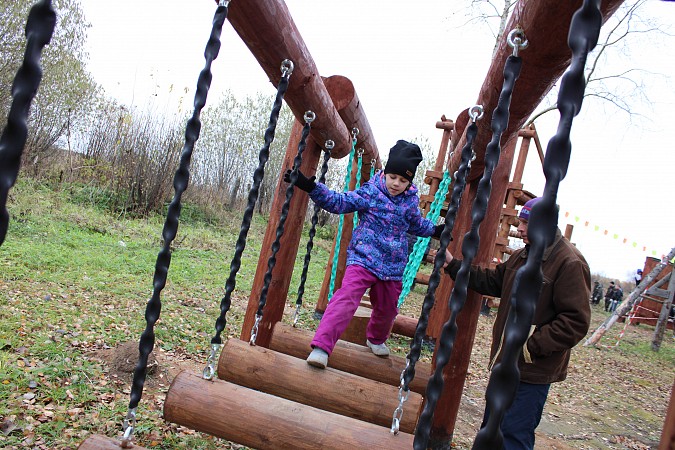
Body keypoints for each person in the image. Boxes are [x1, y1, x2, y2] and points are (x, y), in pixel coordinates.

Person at [443, 197, 591, 450]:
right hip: (505, 364)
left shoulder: (569, 262)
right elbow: (493, 282)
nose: (519, 228)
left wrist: (529, 346)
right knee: (490, 429)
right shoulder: (523, 255)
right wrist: (455, 266)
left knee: (513, 437)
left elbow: (575, 321)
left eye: (525, 223)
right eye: (520, 222)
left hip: (531, 371)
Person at [284, 140, 443, 369]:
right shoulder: (370, 192)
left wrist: (436, 230)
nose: (396, 183)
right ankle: (322, 347)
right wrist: (311, 188)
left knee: (388, 308)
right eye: (393, 177)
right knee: (346, 297)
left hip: (392, 266)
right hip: (363, 258)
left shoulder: (410, 202)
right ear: (385, 173)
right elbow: (340, 203)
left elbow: (416, 224)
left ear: (410, 182)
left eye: (403, 180)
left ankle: (375, 338)